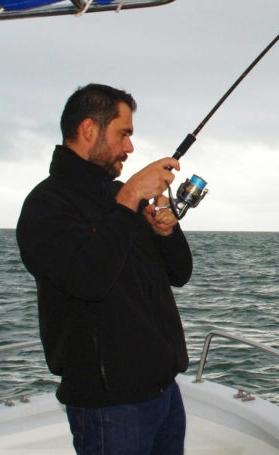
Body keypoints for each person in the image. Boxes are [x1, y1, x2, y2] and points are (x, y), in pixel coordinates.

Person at [16, 83, 193, 455]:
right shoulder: (46, 206)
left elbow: (179, 273)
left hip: (165, 395)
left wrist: (166, 231)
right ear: (88, 130)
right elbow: (89, 279)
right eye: (123, 134)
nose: (130, 148)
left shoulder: (116, 199)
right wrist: (129, 197)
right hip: (109, 410)